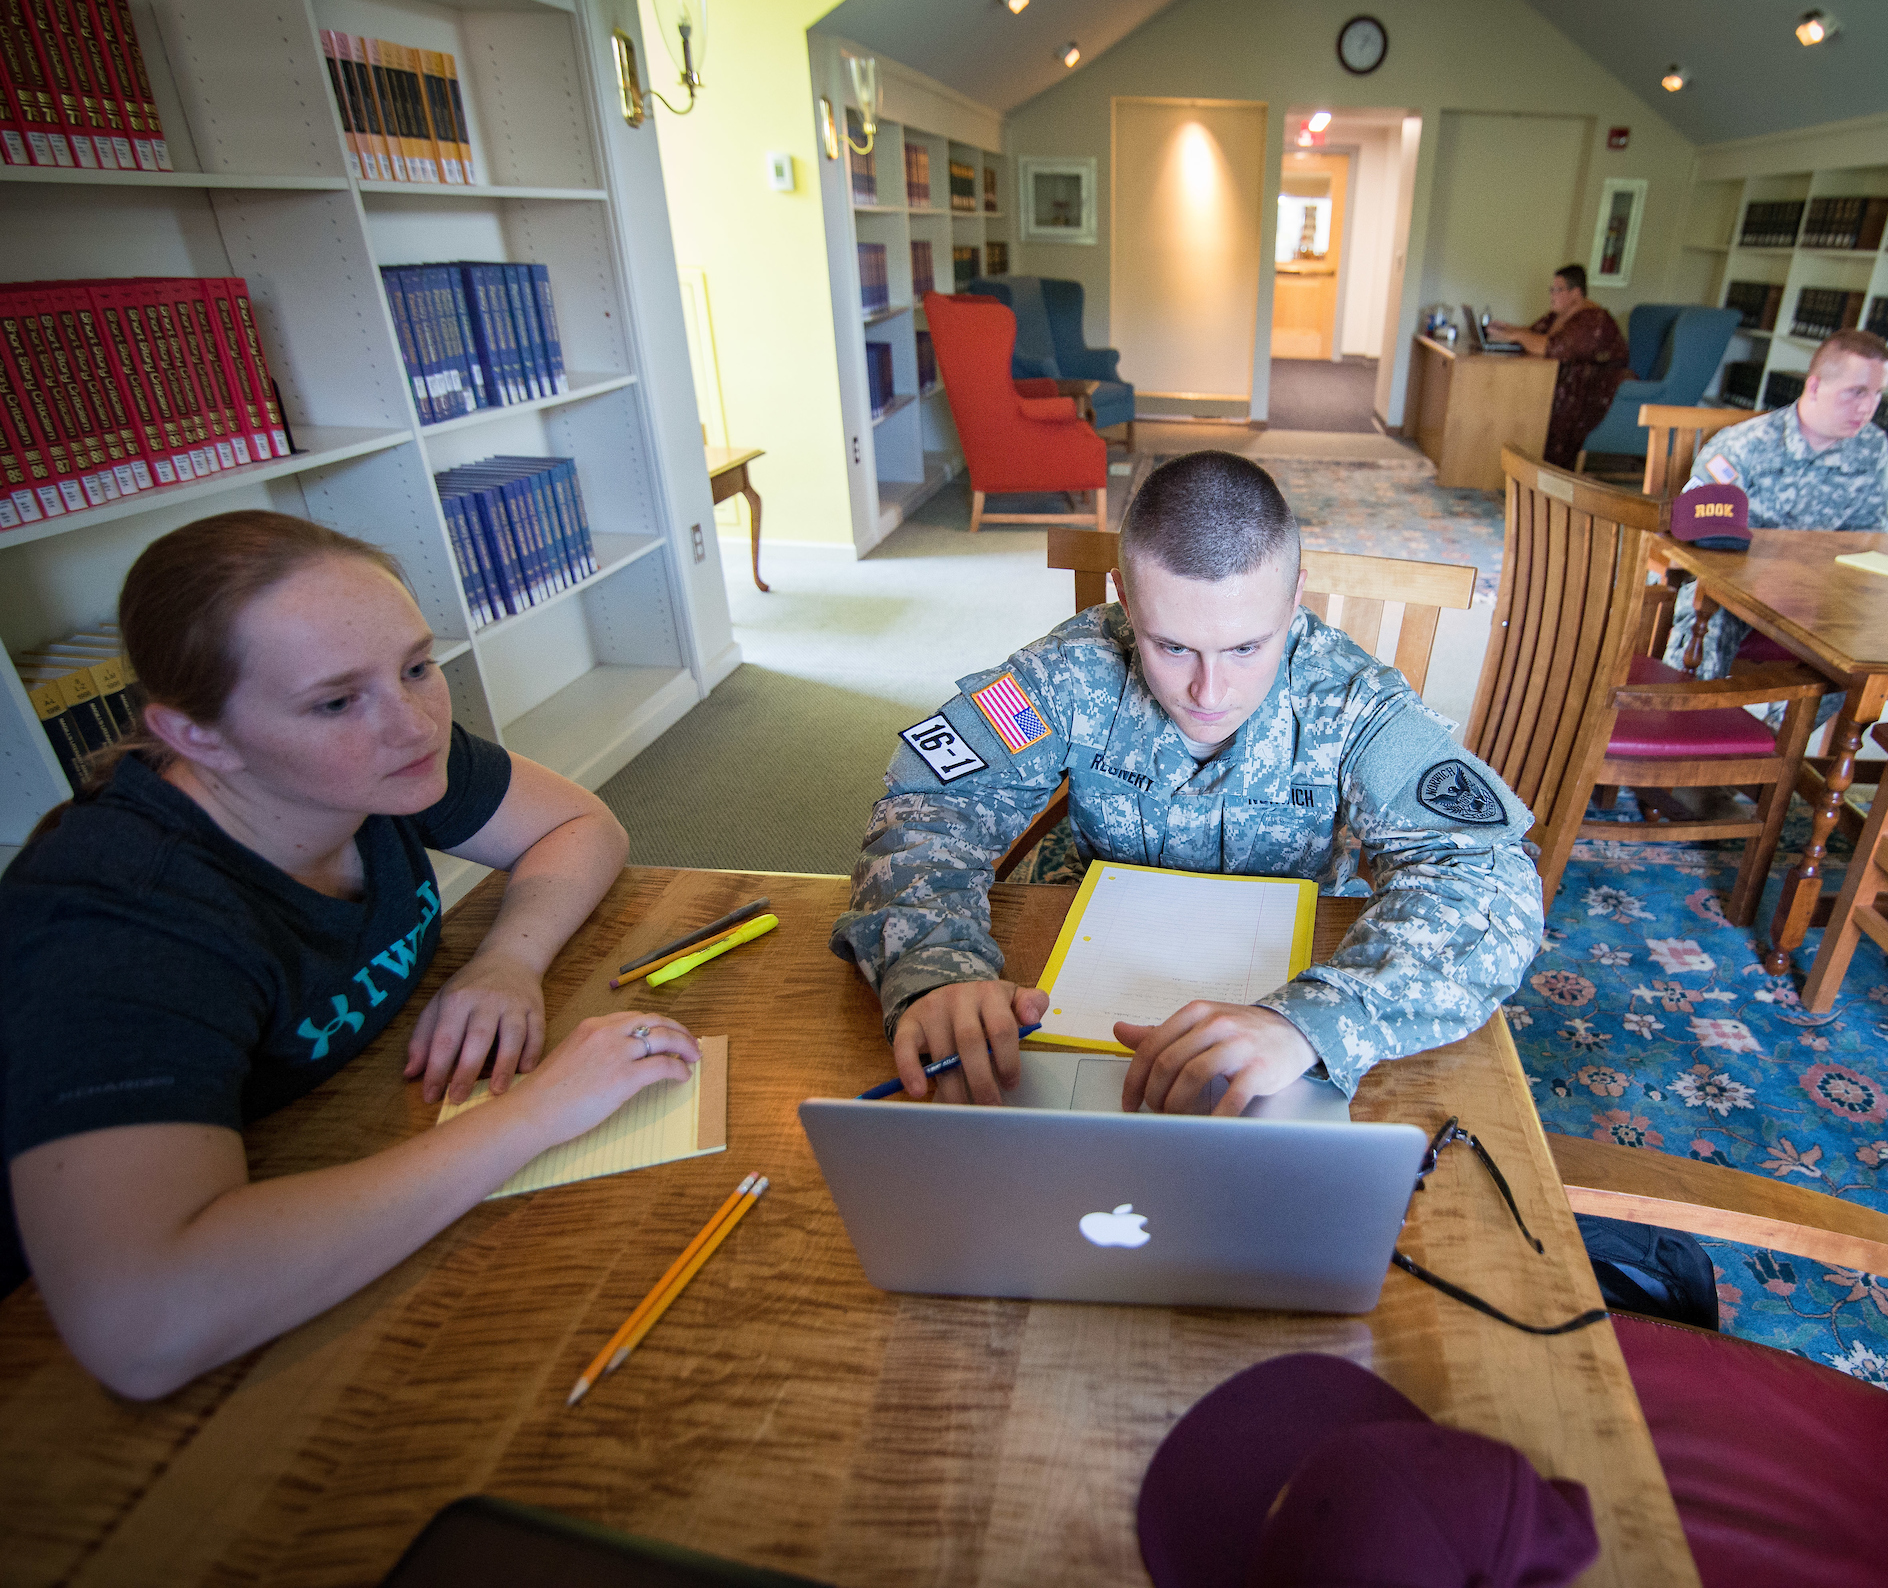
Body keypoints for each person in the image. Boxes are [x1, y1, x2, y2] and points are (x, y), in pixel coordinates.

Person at [1, 511, 702, 1398]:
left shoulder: (367, 765)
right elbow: (143, 1327)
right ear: (195, 737)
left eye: (416, 666)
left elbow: (577, 823)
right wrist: (536, 1114)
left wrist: (506, 962)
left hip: (332, 1138)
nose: (416, 725)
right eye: (336, 701)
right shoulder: (115, 924)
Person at [832, 451, 1543, 1117]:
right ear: (1125, 598)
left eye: (1245, 646)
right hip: (1080, 981)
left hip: (1287, 1000)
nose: (1210, 691)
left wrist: (1313, 1023)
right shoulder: (1069, 672)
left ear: (1296, 595)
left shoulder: (1352, 698)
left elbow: (1484, 877)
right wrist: (936, 963)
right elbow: (930, 800)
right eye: (1171, 645)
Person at [1665, 328, 1888, 680]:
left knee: (1869, 653)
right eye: (1856, 392)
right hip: (1735, 588)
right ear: (1816, 386)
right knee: (1699, 642)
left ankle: (1782, 733)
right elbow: (1696, 538)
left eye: (1877, 394)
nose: (1868, 408)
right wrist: (1764, 578)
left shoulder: (1872, 449)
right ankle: (1687, 726)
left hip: (1819, 593)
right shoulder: (1743, 446)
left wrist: (1817, 588)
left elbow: (1868, 540)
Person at [1485, 264, 1631, 469]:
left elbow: (1552, 347)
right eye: (1551, 290)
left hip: (1591, 390)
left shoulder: (1593, 319)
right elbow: (1535, 333)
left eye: (1557, 290)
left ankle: (1542, 465)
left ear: (1575, 293)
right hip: (1567, 381)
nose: (1552, 295)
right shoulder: (1559, 315)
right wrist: (1506, 328)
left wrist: (1515, 335)